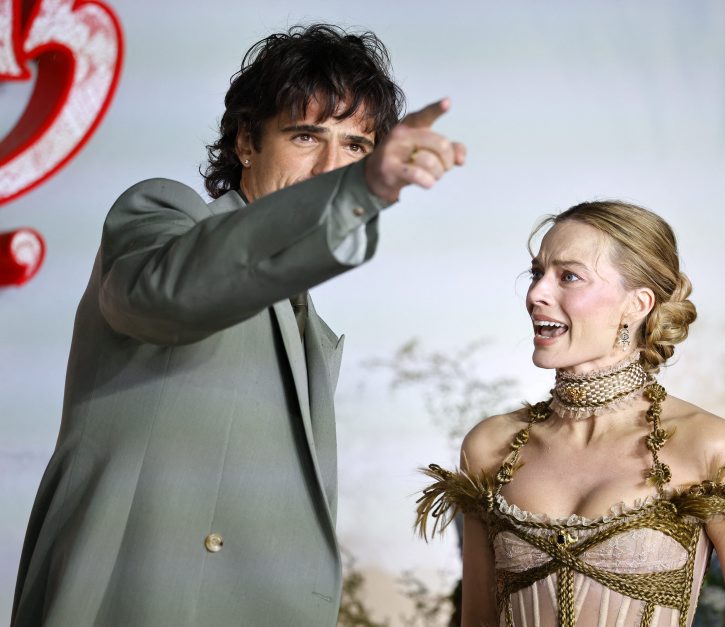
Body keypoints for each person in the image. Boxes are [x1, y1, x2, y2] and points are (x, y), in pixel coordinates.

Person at [13, 24, 464, 626]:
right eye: (306, 136)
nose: (331, 168)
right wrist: (358, 190)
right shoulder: (164, 218)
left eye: (356, 148)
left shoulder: (309, 328)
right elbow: (170, 292)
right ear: (246, 141)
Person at [417, 201, 725, 626]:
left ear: (637, 304)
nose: (536, 294)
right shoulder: (490, 447)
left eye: (568, 276)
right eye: (537, 273)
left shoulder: (704, 443)